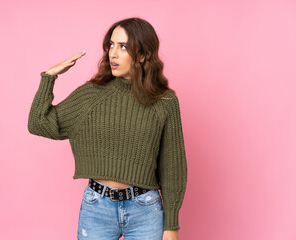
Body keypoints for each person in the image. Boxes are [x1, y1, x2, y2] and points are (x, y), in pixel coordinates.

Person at [28, 17, 187, 240]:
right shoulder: (91, 95)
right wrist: (49, 77)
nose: (113, 53)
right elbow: (38, 123)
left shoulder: (164, 101)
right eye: (111, 45)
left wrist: (171, 225)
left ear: (142, 55)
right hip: (97, 208)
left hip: (146, 210)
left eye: (123, 47)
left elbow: (173, 167)